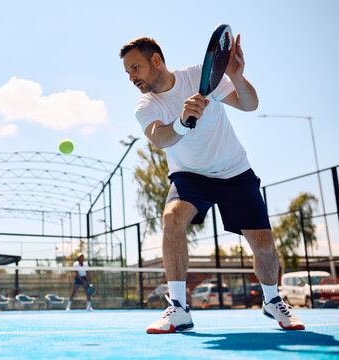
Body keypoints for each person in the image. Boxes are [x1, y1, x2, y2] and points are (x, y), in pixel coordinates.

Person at [119, 35, 305, 333]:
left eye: (135, 68)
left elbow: (249, 104)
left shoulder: (199, 76)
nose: (131, 77)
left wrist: (236, 76)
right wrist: (181, 120)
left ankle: (272, 301)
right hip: (190, 175)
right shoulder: (145, 105)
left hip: (233, 171)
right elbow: (159, 138)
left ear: (156, 60)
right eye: (127, 72)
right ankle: (178, 307)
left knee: (264, 245)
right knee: (172, 217)